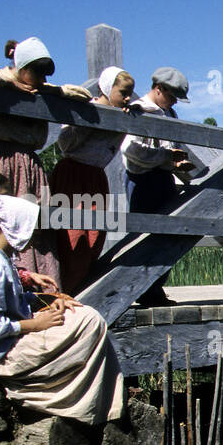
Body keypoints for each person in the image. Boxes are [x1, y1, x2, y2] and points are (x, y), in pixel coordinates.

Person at [0, 194, 125, 426]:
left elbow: (15, 298)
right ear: (18, 228)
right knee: (89, 323)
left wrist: (48, 301)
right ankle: (81, 403)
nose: (37, 236)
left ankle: (103, 403)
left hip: (3, 333)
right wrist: (34, 325)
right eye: (34, 230)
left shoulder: (0, 256)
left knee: (83, 314)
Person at [0, 38, 91, 286]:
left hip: (28, 164)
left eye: (44, 75)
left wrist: (51, 90)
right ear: (21, 67)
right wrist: (8, 82)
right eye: (37, 73)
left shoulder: (41, 88)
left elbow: (82, 94)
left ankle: (38, 289)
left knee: (36, 222)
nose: (41, 79)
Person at [48, 66, 135, 294]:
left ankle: (79, 288)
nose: (127, 98)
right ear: (107, 89)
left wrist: (128, 116)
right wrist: (90, 120)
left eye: (130, 93)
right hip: (74, 175)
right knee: (72, 234)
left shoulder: (121, 115)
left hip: (95, 176)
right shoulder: (89, 110)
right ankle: (63, 289)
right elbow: (66, 143)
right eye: (123, 92)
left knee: (95, 234)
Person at [121, 67, 196, 305]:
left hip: (163, 179)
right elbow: (132, 151)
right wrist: (166, 157)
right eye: (172, 95)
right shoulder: (140, 111)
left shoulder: (169, 114)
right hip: (143, 179)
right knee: (143, 235)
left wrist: (176, 162)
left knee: (167, 234)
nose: (174, 101)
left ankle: (156, 286)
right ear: (159, 88)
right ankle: (143, 288)